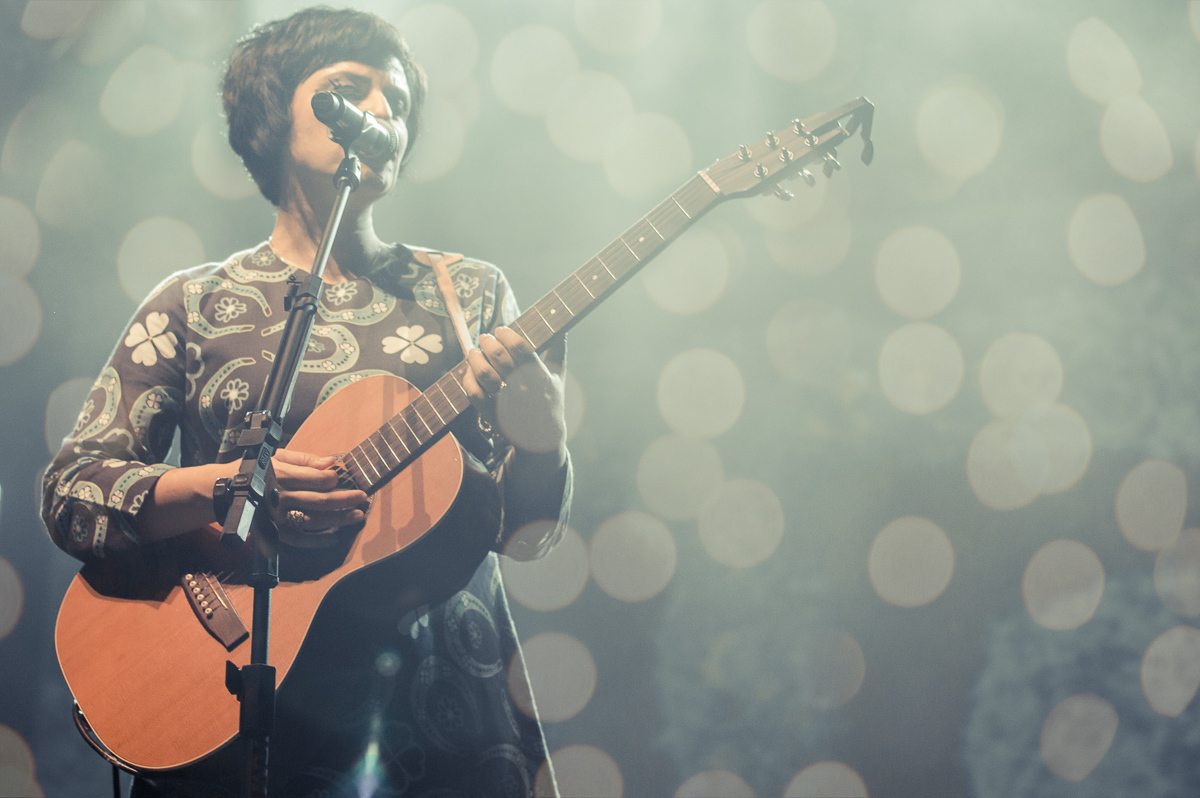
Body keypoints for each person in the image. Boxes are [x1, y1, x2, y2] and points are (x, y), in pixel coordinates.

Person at [42, 7, 571, 797]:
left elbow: (527, 535)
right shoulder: (194, 303)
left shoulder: (470, 294)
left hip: (437, 709)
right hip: (235, 710)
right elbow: (74, 491)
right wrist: (229, 488)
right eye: (350, 89)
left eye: (397, 99)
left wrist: (546, 438)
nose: (384, 111)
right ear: (273, 114)